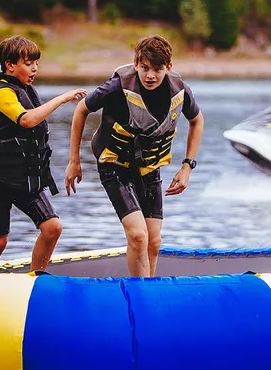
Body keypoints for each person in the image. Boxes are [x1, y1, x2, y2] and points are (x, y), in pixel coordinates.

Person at [64, 35, 204, 278]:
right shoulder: (117, 87)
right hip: (114, 166)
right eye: (144, 68)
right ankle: (140, 295)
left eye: (158, 70)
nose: (150, 76)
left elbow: (197, 120)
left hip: (149, 168)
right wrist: (74, 160)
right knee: (138, 235)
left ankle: (147, 290)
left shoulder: (180, 90)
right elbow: (81, 109)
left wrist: (187, 166)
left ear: (169, 68)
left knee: (154, 240)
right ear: (136, 63)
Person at [0, 35, 87, 272]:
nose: (34, 68)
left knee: (52, 228)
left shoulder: (27, 91)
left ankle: (35, 278)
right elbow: (27, 120)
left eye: (36, 63)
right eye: (28, 63)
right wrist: (63, 98)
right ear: (10, 65)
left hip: (22, 178)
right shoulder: (0, 93)